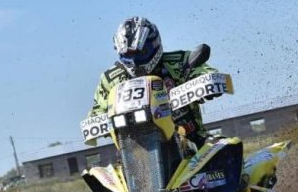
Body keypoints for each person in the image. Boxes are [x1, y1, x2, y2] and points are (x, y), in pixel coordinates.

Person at [90, 16, 219, 148]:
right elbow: (95, 113)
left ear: (155, 44)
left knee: (225, 147)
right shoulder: (110, 80)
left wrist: (204, 82)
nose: (134, 60)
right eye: (128, 55)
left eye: (141, 52)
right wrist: (99, 122)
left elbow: (209, 73)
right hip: (136, 152)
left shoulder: (177, 62)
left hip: (194, 143)